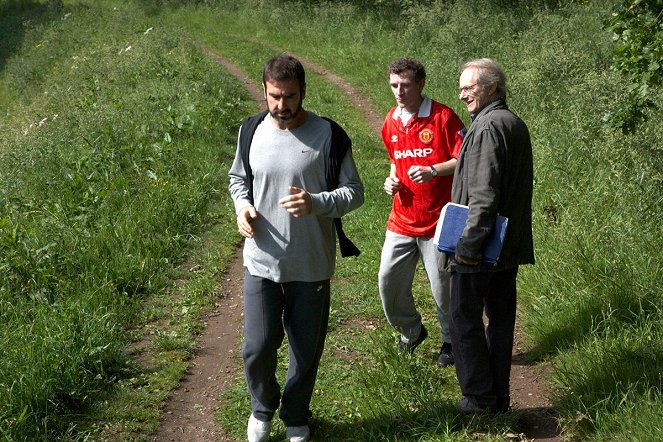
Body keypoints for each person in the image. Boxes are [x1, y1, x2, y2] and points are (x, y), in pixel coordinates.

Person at [228, 54, 364, 442]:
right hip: (262, 261)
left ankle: (296, 415)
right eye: (274, 96)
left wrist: (317, 203)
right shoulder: (250, 130)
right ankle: (263, 407)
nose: (281, 105)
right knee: (257, 348)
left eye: (289, 96)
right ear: (265, 91)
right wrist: (242, 207)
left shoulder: (329, 135)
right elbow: (238, 179)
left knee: (305, 351)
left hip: (311, 264)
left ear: (303, 91)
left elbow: (355, 193)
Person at [447, 58, 534, 414]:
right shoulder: (513, 122)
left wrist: (468, 246)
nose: (463, 93)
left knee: (463, 318)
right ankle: (498, 398)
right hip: (507, 245)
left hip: (482, 246)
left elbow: (483, 195)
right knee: (500, 321)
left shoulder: (486, 128)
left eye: (470, 86)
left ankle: (479, 399)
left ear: (493, 87)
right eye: (462, 87)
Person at [378, 58, 465, 366]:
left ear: (420, 84)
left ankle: (451, 341)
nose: (398, 92)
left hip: (441, 220)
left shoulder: (443, 117)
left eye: (405, 85)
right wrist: (392, 180)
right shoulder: (391, 120)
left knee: (443, 289)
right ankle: (411, 331)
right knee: (388, 283)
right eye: (393, 85)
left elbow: (463, 158)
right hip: (401, 219)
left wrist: (433, 170)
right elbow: (395, 159)